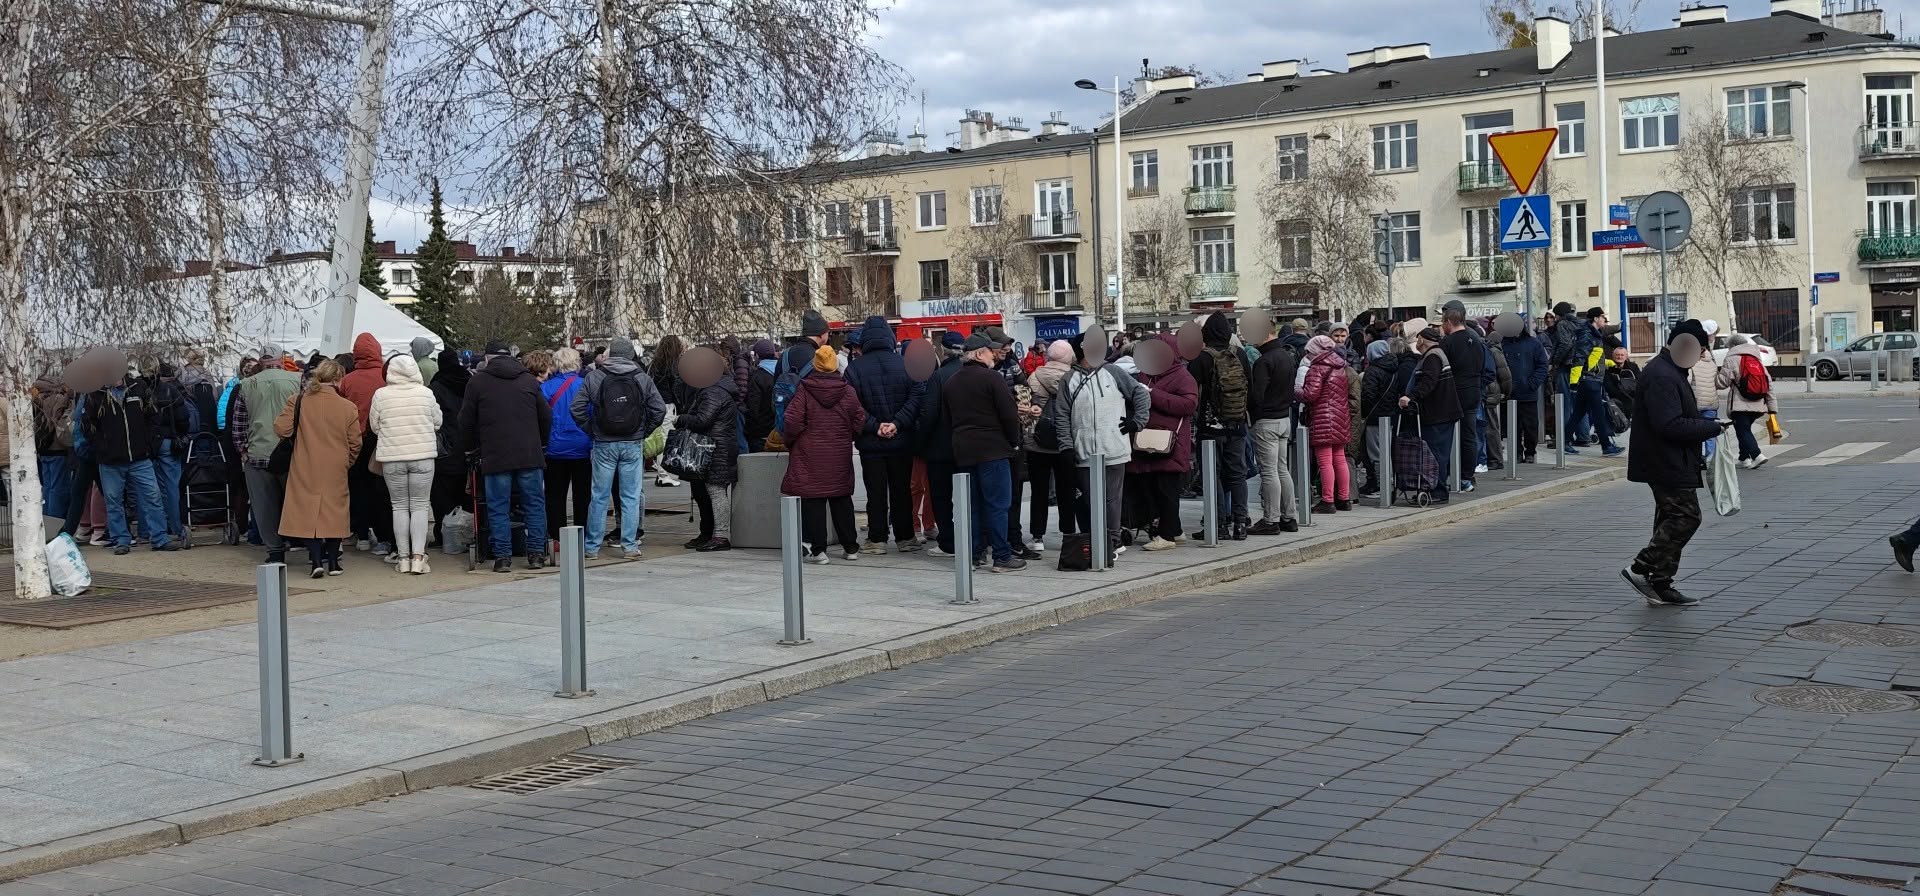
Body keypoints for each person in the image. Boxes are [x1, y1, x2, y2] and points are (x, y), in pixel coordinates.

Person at [1623, 321, 1725, 607]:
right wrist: (1711, 427)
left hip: (1671, 459)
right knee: (1686, 517)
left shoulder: (1670, 370)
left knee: (1669, 518)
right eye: (1701, 349)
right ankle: (1641, 568)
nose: (1702, 355)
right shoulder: (1662, 375)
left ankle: (1660, 583)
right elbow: (1668, 424)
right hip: (1665, 460)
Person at [1055, 333, 1150, 559]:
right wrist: (1066, 446)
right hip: (1084, 451)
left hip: (1114, 448)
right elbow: (1062, 415)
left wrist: (1137, 421)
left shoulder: (1113, 372)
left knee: (1111, 500)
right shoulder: (1068, 379)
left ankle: (1113, 541)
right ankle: (1094, 540)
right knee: (1089, 501)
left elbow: (1140, 393)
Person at [460, 341, 552, 572]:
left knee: (497, 506)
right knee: (534, 504)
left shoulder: (477, 382)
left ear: (487, 359)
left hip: (495, 454)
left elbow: (466, 420)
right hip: (529, 453)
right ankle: (536, 554)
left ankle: (502, 557)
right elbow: (546, 416)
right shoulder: (528, 380)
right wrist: (541, 443)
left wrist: (471, 448)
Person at [572, 337, 666, 559]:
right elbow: (659, 409)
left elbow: (576, 408)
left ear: (610, 354)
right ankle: (629, 546)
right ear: (631, 354)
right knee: (630, 496)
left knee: (599, 496)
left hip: (604, 442)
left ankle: (591, 547)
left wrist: (592, 430)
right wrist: (643, 431)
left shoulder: (595, 377)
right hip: (632, 442)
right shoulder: (642, 378)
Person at [944, 333, 1025, 572]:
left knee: (972, 505)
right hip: (993, 449)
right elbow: (1009, 414)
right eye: (990, 351)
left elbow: (947, 419)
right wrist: (1014, 442)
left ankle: (974, 554)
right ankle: (1002, 555)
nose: (994, 355)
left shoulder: (951, 382)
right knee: (998, 504)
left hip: (964, 450)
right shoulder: (992, 379)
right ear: (980, 354)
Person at [845, 315, 924, 555]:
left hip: (871, 443)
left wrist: (875, 426)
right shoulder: (906, 364)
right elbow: (917, 396)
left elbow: (852, 406)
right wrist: (897, 423)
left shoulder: (854, 369)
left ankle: (877, 539)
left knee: (876, 493)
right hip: (901, 441)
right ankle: (906, 537)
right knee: (902, 491)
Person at [274, 360, 360, 578]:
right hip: (336, 466)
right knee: (334, 513)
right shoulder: (347, 407)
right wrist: (347, 461)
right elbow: (355, 443)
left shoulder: (298, 401)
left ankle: (315, 561)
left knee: (306, 512)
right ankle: (334, 562)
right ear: (339, 379)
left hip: (304, 463)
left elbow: (282, 429)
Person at [782, 344, 865, 563]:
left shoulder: (804, 390)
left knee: (814, 501)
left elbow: (791, 421)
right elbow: (859, 419)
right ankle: (851, 547)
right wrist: (847, 436)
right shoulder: (848, 391)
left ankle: (819, 551)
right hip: (839, 453)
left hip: (809, 454)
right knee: (841, 500)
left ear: (816, 365)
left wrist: (792, 442)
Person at [83, 368, 179, 555]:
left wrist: (150, 444)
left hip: (140, 457)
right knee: (114, 501)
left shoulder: (139, 387)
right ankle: (121, 539)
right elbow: (88, 425)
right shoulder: (95, 394)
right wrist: (102, 447)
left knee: (152, 497)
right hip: (110, 460)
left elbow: (153, 416)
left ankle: (159, 537)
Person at [369, 353, 442, 574]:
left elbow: (374, 426)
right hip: (422, 456)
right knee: (420, 506)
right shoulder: (426, 393)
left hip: (392, 457)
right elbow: (437, 422)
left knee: (399, 506)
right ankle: (418, 558)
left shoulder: (381, 395)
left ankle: (402, 558)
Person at [231, 346, 303, 564]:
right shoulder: (298, 380)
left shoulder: (246, 385)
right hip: (291, 453)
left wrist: (243, 450)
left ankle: (274, 551)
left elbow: (238, 424)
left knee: (264, 506)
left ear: (261, 362)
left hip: (258, 453)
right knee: (299, 502)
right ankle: (308, 545)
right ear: (282, 360)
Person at [1126, 336, 1198, 551]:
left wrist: (1152, 394)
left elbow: (1188, 405)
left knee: (1167, 490)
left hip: (1169, 443)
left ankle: (1166, 536)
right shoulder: (1146, 374)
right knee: (1153, 489)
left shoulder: (1182, 376)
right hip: (1147, 442)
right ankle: (1174, 530)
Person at [1187, 314, 1252, 540]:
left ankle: (1218, 525)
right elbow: (1250, 387)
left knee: (1211, 476)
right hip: (1237, 425)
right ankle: (1241, 524)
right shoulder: (1240, 354)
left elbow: (1189, 390)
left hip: (1210, 428)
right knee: (1237, 475)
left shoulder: (1202, 358)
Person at [677, 357, 741, 552]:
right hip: (713, 447)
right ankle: (708, 533)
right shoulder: (717, 388)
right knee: (703, 492)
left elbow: (702, 420)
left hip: (715, 449)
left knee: (715, 491)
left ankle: (720, 536)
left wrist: (681, 419)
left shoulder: (713, 391)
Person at [915, 332, 968, 557]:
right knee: (970, 496)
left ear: (942, 350)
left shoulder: (938, 377)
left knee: (941, 497)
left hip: (940, 447)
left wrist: (920, 443)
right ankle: (973, 540)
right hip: (969, 446)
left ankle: (948, 542)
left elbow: (928, 414)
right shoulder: (974, 374)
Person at [1024, 340, 1080, 548]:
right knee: (1067, 490)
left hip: (1038, 442)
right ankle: (1068, 533)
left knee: (1039, 491)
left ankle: (1037, 536)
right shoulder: (1074, 378)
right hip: (1065, 442)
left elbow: (1027, 407)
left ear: (1048, 356)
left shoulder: (1035, 376)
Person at [1398, 327, 1462, 505]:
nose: (1416, 342)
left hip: (1438, 414)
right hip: (1440, 413)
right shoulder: (1435, 354)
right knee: (1436, 452)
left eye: (1418, 338)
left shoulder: (1432, 356)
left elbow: (1428, 382)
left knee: (1435, 454)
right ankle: (1434, 488)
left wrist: (1410, 397)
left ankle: (1438, 491)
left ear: (1422, 340)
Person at [539, 348, 593, 551]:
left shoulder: (546, 388)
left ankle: (556, 537)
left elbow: (541, 418)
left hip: (555, 448)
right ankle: (582, 535)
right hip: (582, 447)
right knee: (583, 496)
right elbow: (592, 413)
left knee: (554, 495)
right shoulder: (585, 385)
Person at [1300, 335, 1354, 513]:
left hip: (1323, 418)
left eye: (1309, 352)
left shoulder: (1317, 367)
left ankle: (1328, 500)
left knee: (1324, 462)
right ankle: (1344, 499)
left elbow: (1310, 394)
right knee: (1340, 458)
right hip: (1340, 417)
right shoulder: (1341, 366)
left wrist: (1297, 391)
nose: (1308, 355)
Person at [1438, 303, 1486, 492]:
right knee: (1469, 436)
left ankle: (1451, 474)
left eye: (1443, 322)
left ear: (1449, 322)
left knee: (1449, 435)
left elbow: (1442, 368)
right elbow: (1483, 366)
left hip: (1454, 393)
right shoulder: (1476, 340)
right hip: (1473, 392)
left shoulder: (1447, 343)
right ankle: (1467, 476)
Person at [146, 363, 194, 545]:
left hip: (148, 444)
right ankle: (176, 526)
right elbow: (183, 419)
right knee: (172, 486)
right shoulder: (170, 390)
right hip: (167, 441)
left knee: (149, 489)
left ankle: (150, 529)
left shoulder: (140, 391)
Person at [427, 348, 471, 546]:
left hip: (445, 447)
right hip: (468, 444)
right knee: (467, 491)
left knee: (441, 494)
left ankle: (444, 534)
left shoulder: (435, 386)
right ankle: (467, 532)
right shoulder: (470, 381)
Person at [1716, 335, 1776, 470]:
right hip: (1758, 403)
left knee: (1743, 431)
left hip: (1740, 403)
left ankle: (1757, 455)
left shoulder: (1732, 358)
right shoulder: (1756, 358)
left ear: (1732, 346)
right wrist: (1772, 407)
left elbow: (1722, 383)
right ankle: (1744, 458)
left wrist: (1713, 378)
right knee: (1744, 429)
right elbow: (1769, 383)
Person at [1359, 338, 1409, 497]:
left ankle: (1381, 486)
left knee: (1375, 453)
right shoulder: (1394, 368)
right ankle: (1389, 482)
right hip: (1391, 415)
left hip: (1375, 417)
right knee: (1387, 451)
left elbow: (1368, 396)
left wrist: (1364, 413)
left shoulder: (1372, 370)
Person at [1501, 321, 1549, 464]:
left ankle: (1530, 452)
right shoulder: (1503, 344)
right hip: (1509, 393)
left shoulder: (1533, 343)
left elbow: (1542, 365)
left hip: (1528, 393)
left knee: (1530, 426)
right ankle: (1516, 452)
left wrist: (1532, 383)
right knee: (1512, 427)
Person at [31, 371, 74, 519]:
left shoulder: (37, 399)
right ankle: (56, 518)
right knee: (58, 486)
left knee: (48, 485)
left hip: (42, 447)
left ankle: (46, 515)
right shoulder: (59, 398)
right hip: (57, 448)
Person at [743, 338, 779, 452]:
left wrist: (749, 431)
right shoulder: (783, 372)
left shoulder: (757, 377)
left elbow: (753, 408)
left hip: (761, 433)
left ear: (757, 355)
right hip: (781, 430)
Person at [1606, 344, 1642, 424]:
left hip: (1634, 395)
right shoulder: (1609, 369)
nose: (1619, 357)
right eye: (1617, 355)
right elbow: (1609, 386)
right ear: (1613, 356)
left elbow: (1640, 380)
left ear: (1626, 357)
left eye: (1622, 355)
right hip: (1617, 398)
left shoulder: (1633, 367)